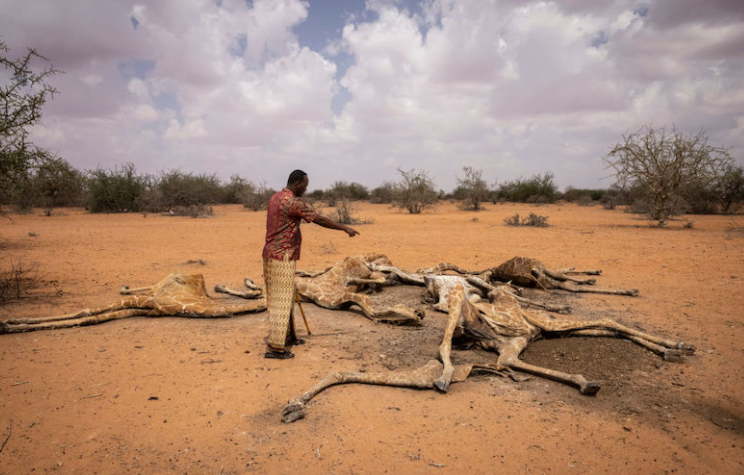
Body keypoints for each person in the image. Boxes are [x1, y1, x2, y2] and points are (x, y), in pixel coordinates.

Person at [262, 169, 359, 359]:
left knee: (285, 298)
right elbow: (319, 219)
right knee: (281, 302)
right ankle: (275, 348)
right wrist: (344, 228)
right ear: (297, 183)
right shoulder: (293, 202)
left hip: (270, 254)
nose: (305, 190)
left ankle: (287, 337)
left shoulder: (276, 197)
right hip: (282, 257)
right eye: (304, 186)